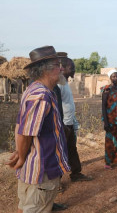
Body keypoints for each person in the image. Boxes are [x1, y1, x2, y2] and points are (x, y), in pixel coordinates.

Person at [6, 46, 70, 213]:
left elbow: (20, 127)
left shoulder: (33, 90)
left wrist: (21, 154)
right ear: (46, 70)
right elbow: (25, 133)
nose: (62, 68)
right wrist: (20, 156)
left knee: (25, 207)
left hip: (32, 169)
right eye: (58, 65)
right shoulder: (41, 96)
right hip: (41, 172)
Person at [57, 52, 92, 182]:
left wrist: (74, 121)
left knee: (72, 149)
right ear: (63, 68)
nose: (74, 70)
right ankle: (57, 181)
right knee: (60, 153)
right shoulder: (59, 84)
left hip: (69, 122)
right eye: (71, 67)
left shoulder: (64, 82)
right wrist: (61, 124)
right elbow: (57, 106)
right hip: (63, 124)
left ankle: (76, 173)